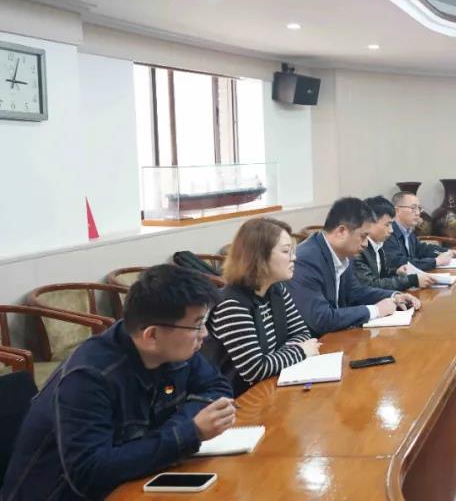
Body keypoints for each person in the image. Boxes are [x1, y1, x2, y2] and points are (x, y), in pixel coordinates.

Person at [1, 265, 235, 500]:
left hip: (137, 481)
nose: (204, 334)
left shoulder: (172, 350)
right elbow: (89, 472)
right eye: (196, 325)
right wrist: (188, 433)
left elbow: (217, 387)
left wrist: (179, 432)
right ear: (152, 335)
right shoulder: (89, 378)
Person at [208, 218, 320, 395]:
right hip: (237, 398)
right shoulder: (231, 305)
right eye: (286, 251)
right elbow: (255, 369)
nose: (294, 257)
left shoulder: (276, 289)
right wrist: (300, 351)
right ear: (259, 257)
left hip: (270, 385)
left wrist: (276, 358)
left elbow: (302, 333)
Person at [290, 197, 422, 336]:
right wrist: (375, 310)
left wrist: (394, 296)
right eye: (363, 236)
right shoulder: (305, 260)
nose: (365, 244)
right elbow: (321, 318)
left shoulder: (343, 253)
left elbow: (356, 292)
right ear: (342, 231)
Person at [355, 196, 436, 291]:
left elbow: (381, 275)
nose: (391, 230)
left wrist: (396, 272)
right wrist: (412, 280)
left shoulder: (378, 245)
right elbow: (371, 284)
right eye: (387, 225)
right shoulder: (358, 250)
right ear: (370, 223)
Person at [384, 191, 456, 271]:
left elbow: (422, 249)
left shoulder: (408, 231)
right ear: (397, 211)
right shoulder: (388, 233)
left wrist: (448, 251)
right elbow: (399, 263)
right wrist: (436, 262)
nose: (418, 213)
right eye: (413, 208)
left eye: (419, 208)